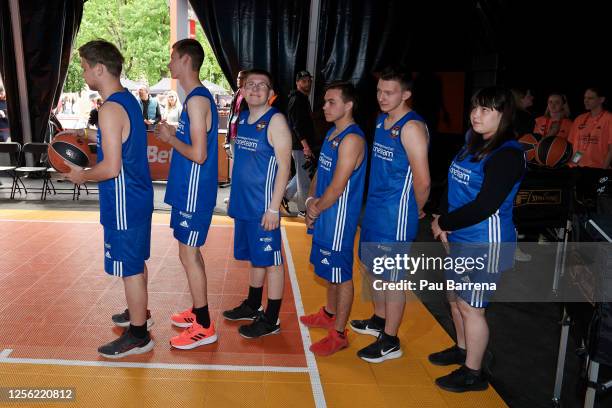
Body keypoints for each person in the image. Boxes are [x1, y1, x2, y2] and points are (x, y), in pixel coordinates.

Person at [430, 86, 525, 392]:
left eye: (486, 110)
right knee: (455, 298)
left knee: (473, 307)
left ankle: (474, 372)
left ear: (504, 115)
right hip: (459, 234)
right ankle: (462, 350)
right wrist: (441, 220)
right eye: (475, 107)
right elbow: (451, 184)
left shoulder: (508, 154)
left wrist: (444, 222)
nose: (476, 114)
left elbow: (485, 205)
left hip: (485, 242)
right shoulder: (472, 142)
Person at [65, 40, 154, 358]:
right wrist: (92, 138)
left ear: (99, 69)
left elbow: (111, 167)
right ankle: (139, 313)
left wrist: (81, 175)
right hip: (138, 196)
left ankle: (139, 336)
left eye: (85, 67)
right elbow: (122, 142)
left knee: (129, 267)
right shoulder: (126, 101)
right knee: (137, 262)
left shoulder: (108, 109)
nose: (84, 72)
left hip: (123, 201)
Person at [349, 67, 431, 363]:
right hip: (375, 210)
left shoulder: (412, 127)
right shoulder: (383, 121)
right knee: (371, 267)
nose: (382, 97)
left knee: (392, 278)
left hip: (396, 215)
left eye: (390, 92)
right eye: (379, 91)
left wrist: (416, 208)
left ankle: (391, 341)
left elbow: (423, 181)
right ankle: (379, 320)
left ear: (406, 94)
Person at [153, 39, 219, 349]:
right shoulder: (194, 97)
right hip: (188, 187)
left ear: (185, 60)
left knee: (188, 253)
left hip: (194, 189)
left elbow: (200, 154)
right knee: (189, 253)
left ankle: (205, 325)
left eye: (172, 58)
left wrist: (168, 137)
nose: (169, 65)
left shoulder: (196, 100)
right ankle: (198, 310)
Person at [223, 69, 292, 338]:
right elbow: (243, 163)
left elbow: (285, 167)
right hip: (244, 205)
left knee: (272, 261)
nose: (255, 89)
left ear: (271, 93)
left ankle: (271, 318)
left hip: (265, 208)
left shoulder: (276, 121)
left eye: (262, 85)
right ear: (242, 90)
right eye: (250, 84)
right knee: (256, 257)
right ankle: (253, 304)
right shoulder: (242, 118)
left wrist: (274, 208)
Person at [299, 81, 366, 356]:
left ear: (348, 105)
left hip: (338, 217)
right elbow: (320, 174)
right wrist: (309, 203)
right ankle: (328, 313)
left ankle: (339, 333)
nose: (324, 106)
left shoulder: (352, 139)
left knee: (341, 274)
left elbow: (338, 187)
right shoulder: (331, 134)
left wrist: (316, 208)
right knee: (328, 269)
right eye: (325, 101)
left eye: (331, 102)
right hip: (325, 211)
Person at [282, 70, 317, 216]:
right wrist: (306, 147)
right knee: (304, 179)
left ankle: (284, 196)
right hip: (300, 146)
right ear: (297, 83)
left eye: (309, 81)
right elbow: (296, 126)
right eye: (303, 81)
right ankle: (303, 209)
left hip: (302, 145)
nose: (307, 83)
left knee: (302, 173)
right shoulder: (297, 100)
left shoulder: (302, 98)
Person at [568, 87, 612, 169]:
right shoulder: (579, 119)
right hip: (576, 167)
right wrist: (573, 164)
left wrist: (603, 170)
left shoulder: (609, 119)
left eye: (590, 98)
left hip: (597, 169)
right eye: (585, 98)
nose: (586, 100)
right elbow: (573, 146)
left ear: (601, 99)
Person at [224, 70, 247, 159]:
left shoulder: (250, 96)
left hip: (243, 138)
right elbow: (230, 117)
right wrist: (227, 140)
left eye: (241, 78)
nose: (238, 79)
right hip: (233, 136)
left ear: (247, 80)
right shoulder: (236, 94)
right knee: (234, 165)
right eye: (238, 77)